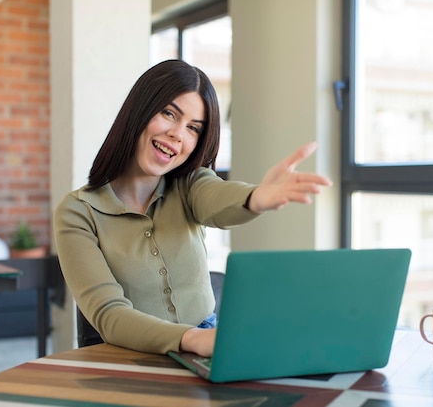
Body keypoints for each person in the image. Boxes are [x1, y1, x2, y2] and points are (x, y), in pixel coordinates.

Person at [53, 59, 332, 357]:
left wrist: (256, 197)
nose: (178, 134)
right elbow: (109, 314)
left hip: (207, 342)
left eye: (193, 128)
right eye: (168, 113)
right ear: (139, 111)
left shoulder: (189, 185)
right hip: (131, 356)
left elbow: (218, 198)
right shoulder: (78, 213)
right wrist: (192, 339)